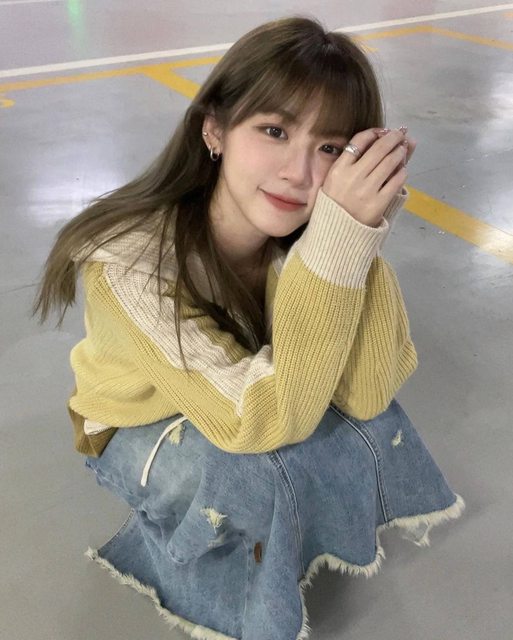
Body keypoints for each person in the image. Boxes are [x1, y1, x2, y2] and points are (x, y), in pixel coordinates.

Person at [34, 16, 464, 640]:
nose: (299, 172)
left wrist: (356, 237)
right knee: (253, 471)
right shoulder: (128, 260)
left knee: (365, 425)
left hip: (247, 390)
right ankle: (216, 592)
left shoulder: (304, 240)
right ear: (214, 128)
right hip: (135, 423)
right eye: (274, 131)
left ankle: (282, 539)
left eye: (330, 149)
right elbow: (250, 422)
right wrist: (335, 246)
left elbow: (368, 394)